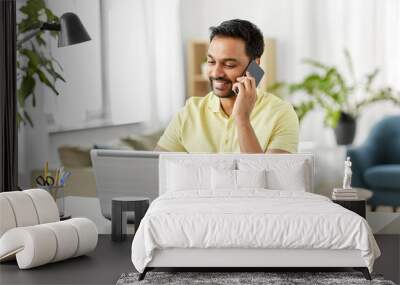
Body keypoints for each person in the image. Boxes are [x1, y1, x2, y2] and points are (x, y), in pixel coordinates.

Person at [155, 19, 299, 153]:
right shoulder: (189, 112)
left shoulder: (281, 114)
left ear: (254, 65)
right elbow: (153, 170)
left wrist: (242, 119)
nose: (216, 73)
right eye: (211, 62)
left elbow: (265, 179)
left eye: (229, 64)